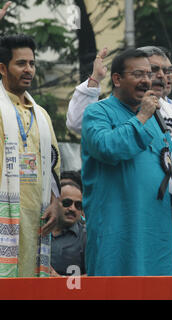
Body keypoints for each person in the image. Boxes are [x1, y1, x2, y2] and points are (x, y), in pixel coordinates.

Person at [81, 48, 172, 276]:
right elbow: (107, 148)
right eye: (138, 74)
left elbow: (171, 167)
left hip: (156, 231)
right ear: (117, 79)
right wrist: (141, 117)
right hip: (117, 229)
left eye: (148, 74)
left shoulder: (157, 119)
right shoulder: (96, 113)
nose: (146, 80)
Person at [0, 34, 62, 277]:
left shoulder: (42, 115)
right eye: (21, 63)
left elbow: (54, 163)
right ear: (3, 68)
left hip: (36, 214)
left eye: (32, 64)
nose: (29, 70)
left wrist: (56, 202)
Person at [67, 46, 172, 157]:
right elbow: (78, 124)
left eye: (167, 71)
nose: (162, 76)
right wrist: (95, 79)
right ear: (119, 78)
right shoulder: (106, 109)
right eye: (154, 70)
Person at [50, 181, 86, 276]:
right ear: (54, 203)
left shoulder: (86, 237)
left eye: (78, 205)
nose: (72, 208)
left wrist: (61, 280)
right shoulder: (37, 231)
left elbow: (96, 276)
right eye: (67, 203)